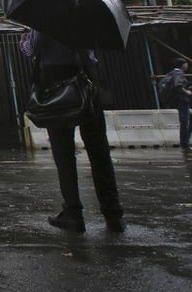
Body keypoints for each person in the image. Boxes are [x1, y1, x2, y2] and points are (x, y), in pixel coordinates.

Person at [20, 30, 124, 233]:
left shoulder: (48, 12)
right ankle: (113, 213)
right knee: (99, 150)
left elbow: (32, 48)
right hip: (88, 79)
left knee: (64, 153)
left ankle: (73, 212)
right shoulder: (87, 13)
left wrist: (23, 40)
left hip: (57, 81)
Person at [165, 58, 192, 153]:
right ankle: (185, 145)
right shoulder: (179, 73)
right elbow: (178, 85)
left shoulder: (171, 73)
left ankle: (185, 143)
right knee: (185, 122)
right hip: (181, 100)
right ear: (183, 65)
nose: (187, 65)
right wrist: (187, 92)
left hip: (175, 100)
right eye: (186, 63)